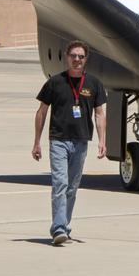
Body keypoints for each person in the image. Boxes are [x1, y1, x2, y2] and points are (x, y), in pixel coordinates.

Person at [32, 40, 107, 246]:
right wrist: (37, 142)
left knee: (72, 188)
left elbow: (99, 114)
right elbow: (42, 111)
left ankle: (64, 226)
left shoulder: (93, 84)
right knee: (60, 184)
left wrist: (102, 140)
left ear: (86, 59)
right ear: (67, 57)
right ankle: (58, 229)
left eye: (80, 57)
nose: (76, 60)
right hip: (58, 141)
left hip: (81, 142)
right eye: (73, 56)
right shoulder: (55, 82)